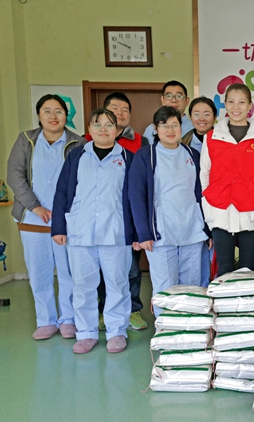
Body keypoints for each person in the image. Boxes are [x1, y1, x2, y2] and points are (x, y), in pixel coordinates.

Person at [51, 108, 135, 354]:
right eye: (97, 124)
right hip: (80, 231)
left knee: (117, 284)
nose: (103, 129)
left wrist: (137, 233)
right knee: (83, 286)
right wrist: (58, 227)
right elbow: (62, 192)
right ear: (89, 129)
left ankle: (116, 332)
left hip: (116, 232)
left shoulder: (128, 158)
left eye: (109, 125)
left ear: (117, 130)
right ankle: (86, 333)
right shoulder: (76, 156)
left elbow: (135, 197)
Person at [6, 94, 86, 340]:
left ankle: (68, 320)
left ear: (66, 115)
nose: (53, 116)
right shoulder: (26, 140)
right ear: (39, 115)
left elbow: (84, 180)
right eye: (47, 111)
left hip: (67, 220)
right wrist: (35, 206)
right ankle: (46, 321)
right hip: (33, 219)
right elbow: (15, 175)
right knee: (39, 273)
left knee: (68, 272)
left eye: (58, 111)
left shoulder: (78, 142)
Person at [129, 107, 209, 316]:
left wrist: (207, 229)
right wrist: (143, 233)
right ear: (155, 129)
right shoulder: (146, 156)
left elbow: (202, 194)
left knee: (192, 288)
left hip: (192, 229)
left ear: (181, 128)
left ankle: (191, 329)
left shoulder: (192, 154)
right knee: (165, 288)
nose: (170, 130)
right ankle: (166, 329)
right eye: (164, 125)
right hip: (160, 233)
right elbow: (136, 196)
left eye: (175, 125)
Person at [88, 92, 148, 331]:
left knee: (131, 269)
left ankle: (133, 309)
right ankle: (104, 310)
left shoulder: (141, 142)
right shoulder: (88, 142)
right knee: (102, 270)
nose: (120, 113)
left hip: (127, 218)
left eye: (125, 110)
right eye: (114, 109)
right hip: (98, 219)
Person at [200, 83, 254, 276]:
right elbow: (204, 173)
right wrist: (208, 198)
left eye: (241, 102)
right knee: (225, 268)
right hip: (220, 209)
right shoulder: (212, 136)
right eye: (231, 102)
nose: (236, 107)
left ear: (250, 106)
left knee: (248, 269)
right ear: (225, 104)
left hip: (252, 209)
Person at [181, 96, 218, 285]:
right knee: (193, 267)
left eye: (207, 114)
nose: (201, 118)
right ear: (190, 117)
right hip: (191, 211)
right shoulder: (183, 144)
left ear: (215, 116)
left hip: (217, 209)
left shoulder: (223, 141)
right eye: (196, 114)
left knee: (214, 266)